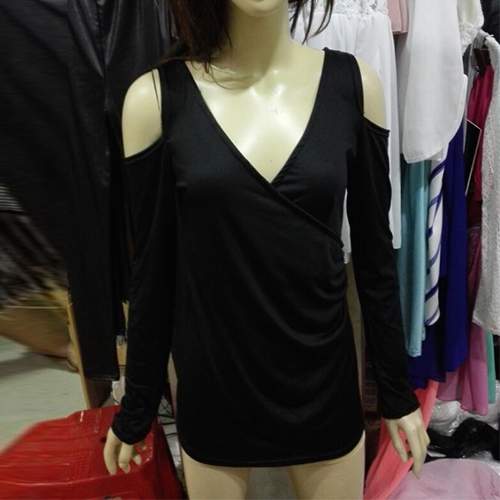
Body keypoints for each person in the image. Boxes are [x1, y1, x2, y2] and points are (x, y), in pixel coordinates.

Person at [103, 1, 429, 498]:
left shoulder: (355, 86)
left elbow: (375, 260)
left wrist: (397, 394)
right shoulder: (154, 100)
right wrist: (139, 404)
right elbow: (153, 272)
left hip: (321, 384)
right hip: (215, 386)